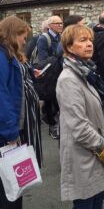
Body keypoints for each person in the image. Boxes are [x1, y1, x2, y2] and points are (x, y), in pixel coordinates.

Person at [56, 25, 104, 209]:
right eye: (83, 40)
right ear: (69, 47)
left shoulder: (85, 72)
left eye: (90, 40)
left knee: (97, 201)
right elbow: (79, 127)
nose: (89, 44)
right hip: (82, 156)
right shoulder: (69, 79)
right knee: (86, 203)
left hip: (93, 154)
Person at [0, 16, 42, 209]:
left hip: (11, 128)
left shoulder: (8, 54)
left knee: (12, 183)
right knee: (9, 185)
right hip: (6, 132)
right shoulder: (2, 56)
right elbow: (2, 96)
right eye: (23, 36)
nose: (25, 41)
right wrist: (11, 133)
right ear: (13, 34)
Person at [37, 15, 63, 139]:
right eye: (57, 23)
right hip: (49, 74)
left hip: (59, 72)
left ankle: (57, 124)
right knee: (50, 100)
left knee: (58, 100)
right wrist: (56, 57)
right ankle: (52, 126)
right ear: (50, 25)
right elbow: (42, 59)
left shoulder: (60, 37)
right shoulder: (44, 39)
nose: (60, 25)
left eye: (61, 23)